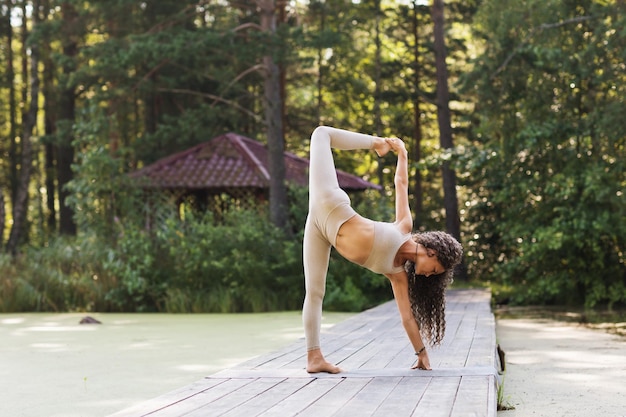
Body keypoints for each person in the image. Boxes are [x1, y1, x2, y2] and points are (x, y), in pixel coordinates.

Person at [302, 126, 463, 374]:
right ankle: (376, 142)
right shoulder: (403, 227)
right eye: (435, 270)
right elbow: (401, 183)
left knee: (314, 292)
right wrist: (403, 155)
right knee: (321, 134)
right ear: (432, 252)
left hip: (320, 229)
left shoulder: (397, 274)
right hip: (330, 203)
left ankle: (314, 357)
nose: (430, 275)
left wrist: (422, 354)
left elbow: (408, 318)